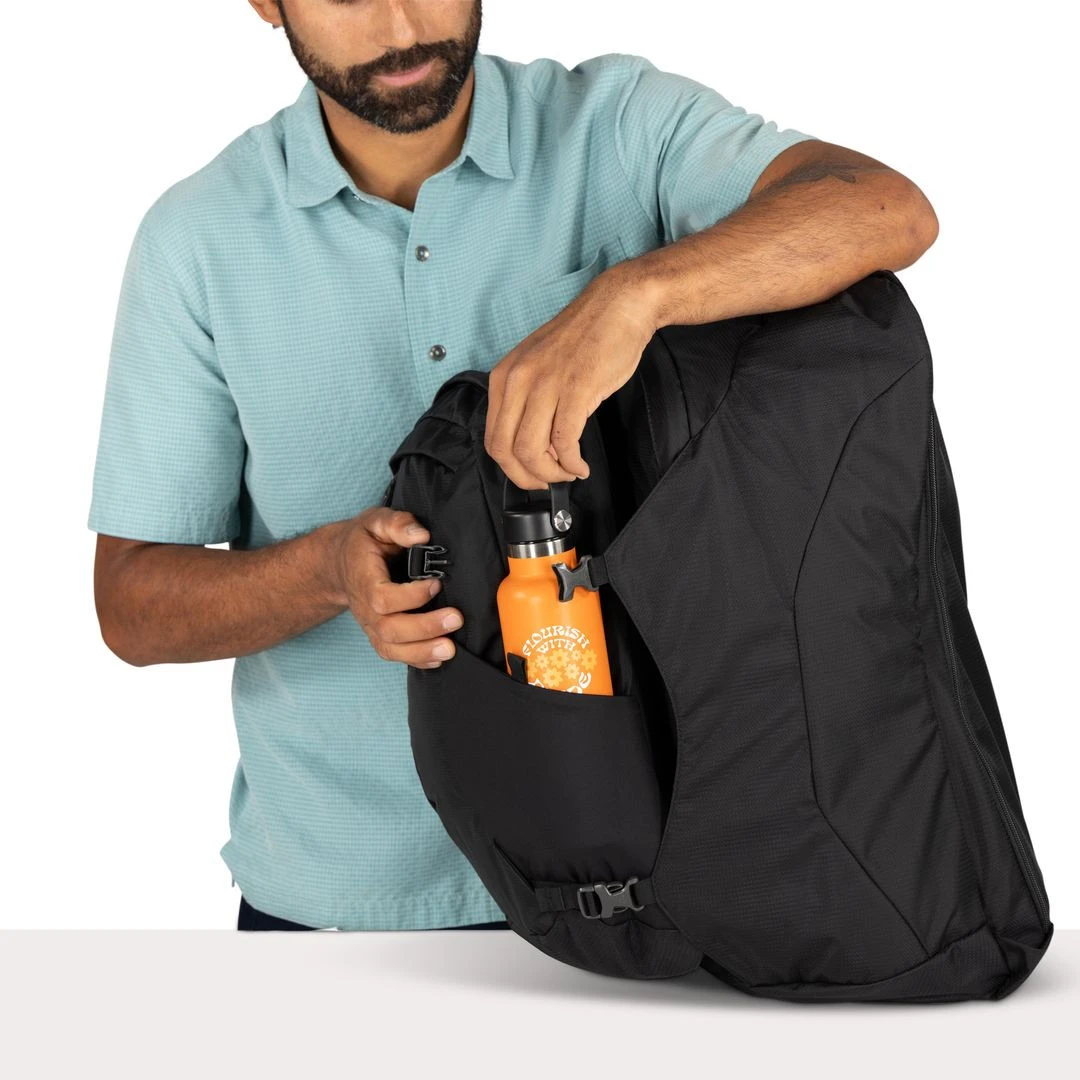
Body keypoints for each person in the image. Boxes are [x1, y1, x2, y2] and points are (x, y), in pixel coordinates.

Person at [88, 0, 938, 932]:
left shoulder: (618, 127)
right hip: (345, 900)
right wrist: (327, 571)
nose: (401, 25)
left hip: (651, 875)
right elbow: (131, 604)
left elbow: (885, 206)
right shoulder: (196, 240)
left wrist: (633, 297)